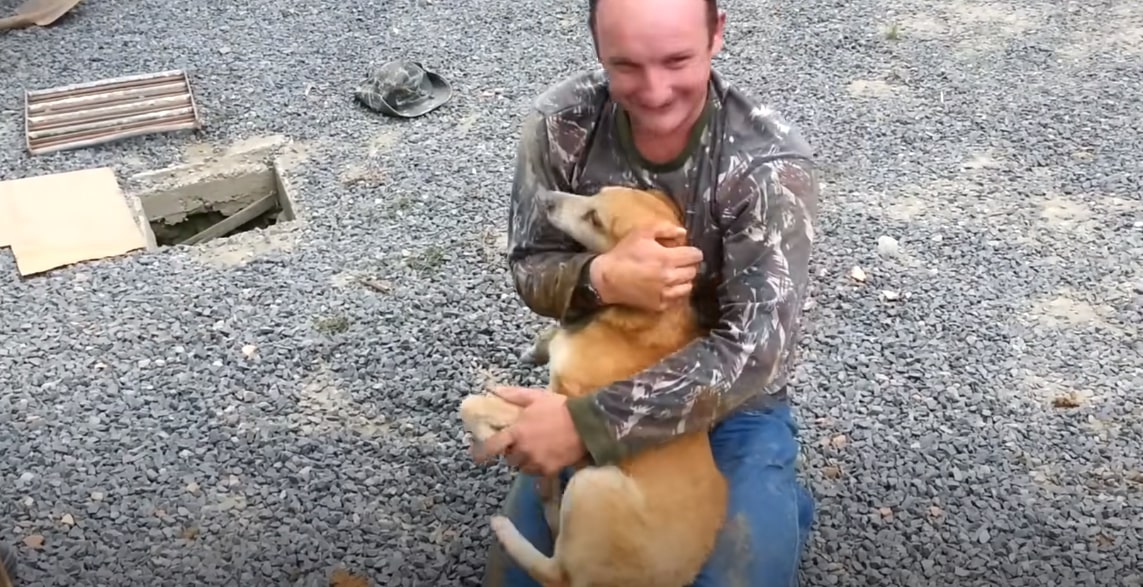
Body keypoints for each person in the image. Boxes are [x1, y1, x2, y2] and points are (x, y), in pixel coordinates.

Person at [472, 0, 820, 584]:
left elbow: (757, 352)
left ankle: (773, 497)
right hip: (606, 368)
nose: (654, 90)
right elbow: (531, 263)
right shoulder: (562, 124)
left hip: (730, 409)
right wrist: (599, 277)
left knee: (733, 573)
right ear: (595, 44)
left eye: (677, 59)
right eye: (625, 65)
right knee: (521, 580)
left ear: (717, 36)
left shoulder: (768, 163)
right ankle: (769, 504)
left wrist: (587, 425)